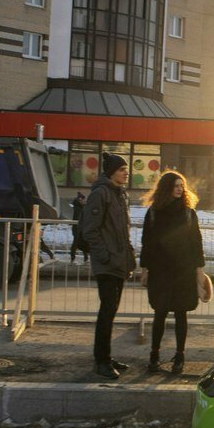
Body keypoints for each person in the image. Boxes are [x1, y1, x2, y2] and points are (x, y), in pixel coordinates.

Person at [139, 171, 206, 374]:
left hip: (183, 271)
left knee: (181, 313)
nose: (180, 189)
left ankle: (179, 355)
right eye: (176, 186)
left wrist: (200, 272)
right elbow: (147, 243)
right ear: (166, 188)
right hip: (160, 271)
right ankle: (154, 354)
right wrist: (144, 269)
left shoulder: (188, 213)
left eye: (181, 186)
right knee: (159, 313)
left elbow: (197, 244)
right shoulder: (153, 213)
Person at [82, 154, 135, 378]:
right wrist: (103, 255)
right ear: (112, 171)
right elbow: (90, 230)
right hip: (107, 263)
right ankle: (101, 361)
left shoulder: (119, 195)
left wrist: (129, 257)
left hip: (118, 262)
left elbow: (122, 231)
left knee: (111, 311)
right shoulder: (100, 194)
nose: (126, 173)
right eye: (122, 169)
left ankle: (106, 356)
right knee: (106, 311)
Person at [70, 191, 89, 263]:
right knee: (76, 243)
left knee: (82, 242)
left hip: (81, 228)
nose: (84, 201)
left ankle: (85, 257)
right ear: (80, 200)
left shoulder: (80, 207)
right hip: (78, 228)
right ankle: (73, 257)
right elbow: (80, 218)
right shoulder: (78, 208)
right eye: (83, 200)